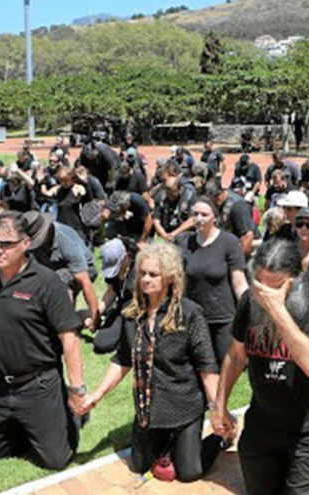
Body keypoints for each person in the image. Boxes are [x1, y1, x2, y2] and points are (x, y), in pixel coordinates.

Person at [211, 239, 309, 495]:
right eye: (260, 285)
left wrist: (277, 310)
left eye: (276, 287)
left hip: (308, 431)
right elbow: (235, 356)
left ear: (296, 278)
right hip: (264, 424)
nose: (265, 294)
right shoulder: (249, 301)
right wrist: (220, 406)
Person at [0, 212, 86, 470]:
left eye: (6, 244)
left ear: (25, 244)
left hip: (37, 385)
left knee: (56, 460)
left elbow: (68, 339)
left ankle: (65, 417)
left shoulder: (47, 282)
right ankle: (24, 425)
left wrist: (77, 389)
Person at [84, 243, 224, 482]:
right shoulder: (132, 314)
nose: (146, 279)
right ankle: (168, 443)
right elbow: (122, 360)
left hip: (183, 405)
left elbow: (207, 367)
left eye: (153, 274)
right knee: (138, 466)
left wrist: (219, 410)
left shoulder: (189, 314)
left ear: (169, 277)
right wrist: (96, 395)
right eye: (142, 273)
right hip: (148, 408)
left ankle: (217, 441)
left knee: (189, 473)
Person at [178, 198, 248, 363]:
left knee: (225, 366)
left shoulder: (229, 242)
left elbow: (239, 282)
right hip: (195, 316)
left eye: (204, 214)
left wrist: (248, 310)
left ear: (214, 217)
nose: (199, 218)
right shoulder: (184, 242)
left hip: (223, 317)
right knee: (199, 368)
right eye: (195, 214)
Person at [22, 211, 99, 328]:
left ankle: (64, 323)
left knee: (59, 280)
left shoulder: (66, 241)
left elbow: (85, 281)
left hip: (85, 269)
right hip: (53, 269)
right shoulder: (32, 244)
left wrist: (95, 317)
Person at [93, 238, 137, 354]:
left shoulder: (140, 268)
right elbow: (111, 292)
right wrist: (97, 312)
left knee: (131, 345)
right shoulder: (115, 274)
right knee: (101, 344)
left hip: (138, 310)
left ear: (126, 257)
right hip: (122, 308)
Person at [206, 180, 255, 257]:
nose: (212, 201)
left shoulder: (238, 207)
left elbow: (248, 236)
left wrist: (238, 260)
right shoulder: (219, 204)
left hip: (241, 252)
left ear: (220, 193)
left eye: (214, 198)